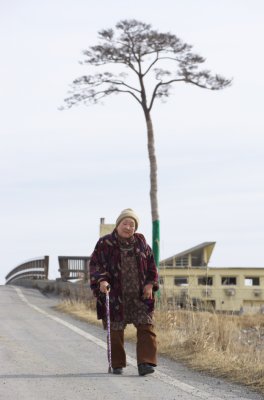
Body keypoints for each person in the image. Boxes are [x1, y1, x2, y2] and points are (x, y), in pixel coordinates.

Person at [89, 208, 159, 376]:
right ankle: (117, 363)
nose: (128, 227)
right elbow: (96, 264)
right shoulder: (105, 244)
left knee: (146, 327)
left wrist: (150, 285)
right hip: (115, 295)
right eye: (125, 223)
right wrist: (102, 280)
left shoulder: (143, 245)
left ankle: (145, 363)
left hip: (140, 296)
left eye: (132, 225)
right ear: (118, 224)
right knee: (115, 331)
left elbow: (152, 267)